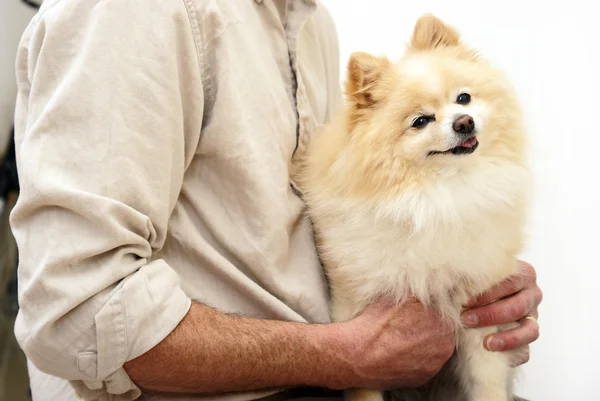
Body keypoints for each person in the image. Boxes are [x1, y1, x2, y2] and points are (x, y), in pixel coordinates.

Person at [10, 1, 543, 401]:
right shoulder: (130, 14)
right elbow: (79, 311)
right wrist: (347, 354)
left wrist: (464, 290)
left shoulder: (311, 24)